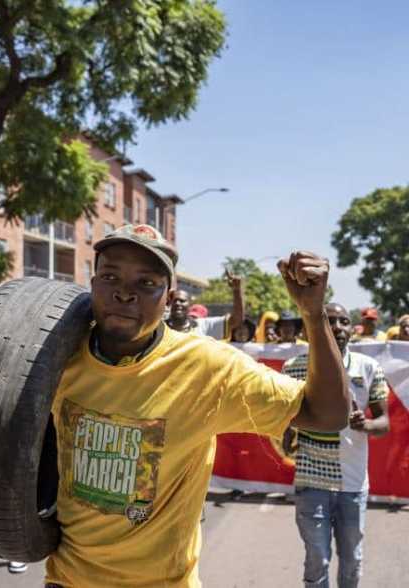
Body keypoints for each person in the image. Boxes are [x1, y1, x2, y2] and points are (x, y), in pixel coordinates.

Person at [42, 224, 349, 587]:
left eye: (146, 283)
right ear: (92, 284)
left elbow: (327, 414)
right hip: (66, 580)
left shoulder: (209, 367)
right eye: (110, 276)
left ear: (169, 299)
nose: (124, 293)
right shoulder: (55, 355)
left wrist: (314, 315)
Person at [282, 303, 389, 588]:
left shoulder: (369, 368)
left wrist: (364, 425)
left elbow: (385, 423)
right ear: (314, 329)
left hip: (353, 484)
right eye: (330, 321)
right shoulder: (293, 368)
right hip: (311, 481)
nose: (338, 328)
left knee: (352, 559)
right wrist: (288, 434)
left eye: (343, 321)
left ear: (351, 330)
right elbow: (284, 421)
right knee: (317, 559)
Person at [166, 268, 243, 339]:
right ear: (169, 303)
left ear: (189, 305)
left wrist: (237, 290)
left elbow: (236, 320)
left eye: (182, 301)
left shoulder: (203, 326)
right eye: (174, 300)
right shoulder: (160, 327)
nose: (178, 303)